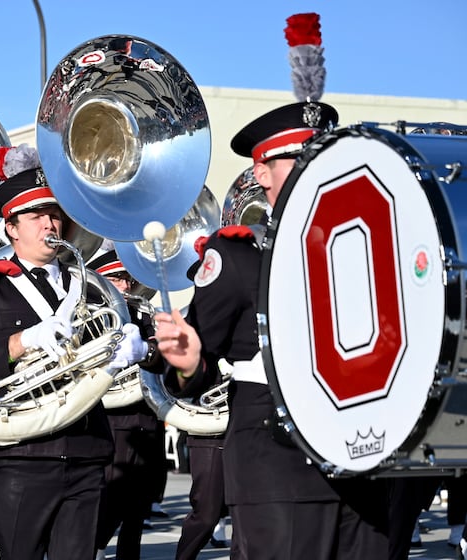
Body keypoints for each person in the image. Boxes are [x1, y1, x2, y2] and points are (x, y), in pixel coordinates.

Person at [154, 101, 389, 559]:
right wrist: (187, 365)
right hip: (277, 464)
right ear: (262, 173)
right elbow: (193, 367)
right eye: (298, 159)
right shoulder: (238, 254)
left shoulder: (365, 242)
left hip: (364, 457)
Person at [0, 144, 147, 560]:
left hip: (88, 449)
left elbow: (134, 342)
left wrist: (134, 349)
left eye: (54, 214)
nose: (50, 223)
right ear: (11, 228)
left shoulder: (88, 284)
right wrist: (22, 342)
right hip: (23, 454)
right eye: (36, 216)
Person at [87, 250, 166, 560]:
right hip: (115, 416)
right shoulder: (95, 316)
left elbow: (158, 357)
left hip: (147, 414)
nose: (127, 285)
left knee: (139, 502)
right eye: (118, 278)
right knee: (113, 494)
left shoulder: (145, 313)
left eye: (129, 278)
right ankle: (92, 546)